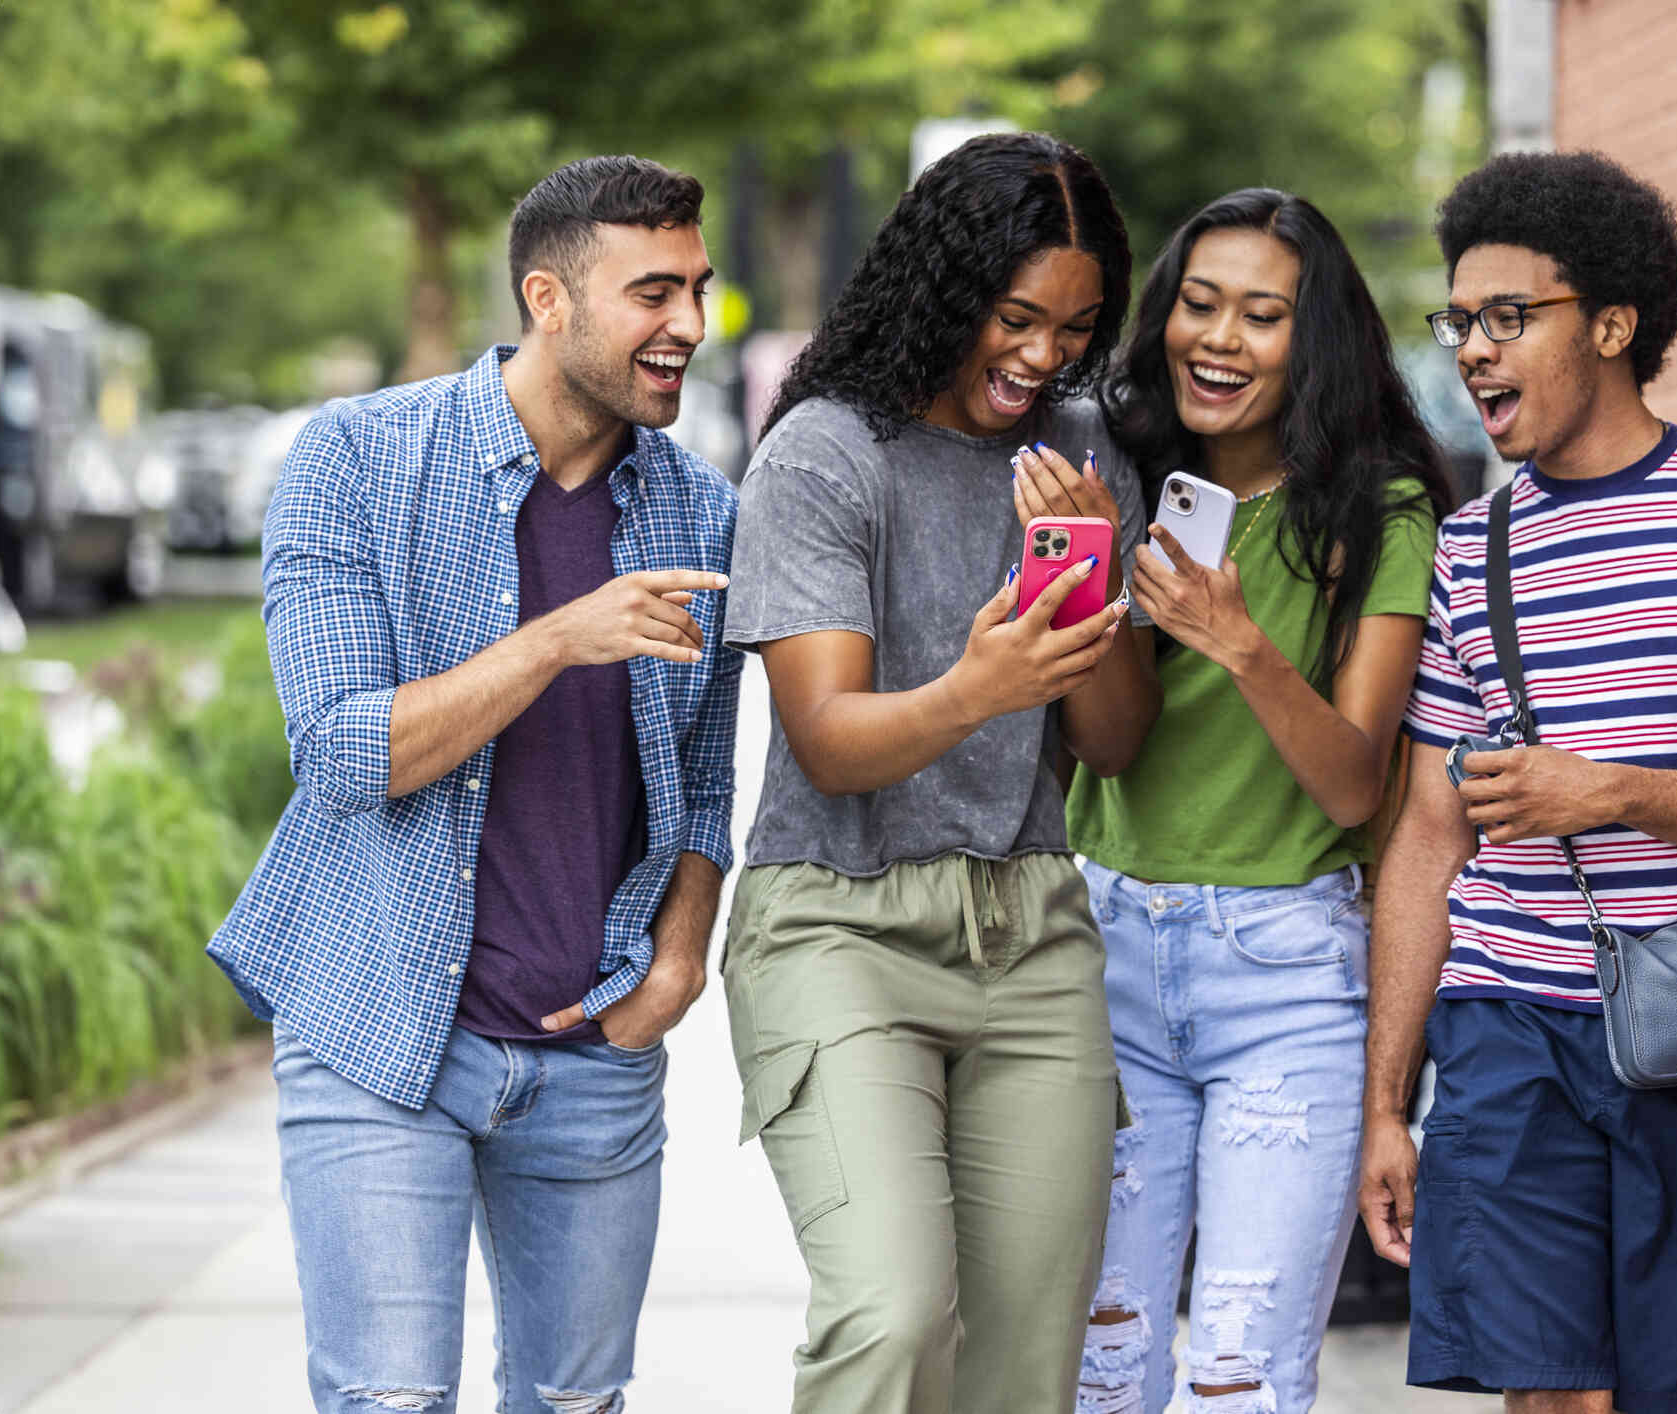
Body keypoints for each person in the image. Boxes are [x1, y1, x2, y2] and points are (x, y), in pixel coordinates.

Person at [207, 155, 739, 1414]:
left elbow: (707, 777)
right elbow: (347, 751)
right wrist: (561, 636)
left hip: (590, 1045)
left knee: (574, 1404)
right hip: (382, 1032)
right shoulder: (356, 460)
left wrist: (676, 959)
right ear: (546, 298)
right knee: (390, 1402)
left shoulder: (702, 512)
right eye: (652, 293)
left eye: (698, 290)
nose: (688, 328)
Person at [1360, 150, 1677, 1414]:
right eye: (1457, 320)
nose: (1472, 350)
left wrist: (1612, 794)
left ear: (1609, 321)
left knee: (1657, 1393)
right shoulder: (1470, 544)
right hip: (1503, 1025)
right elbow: (1429, 834)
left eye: (1506, 317)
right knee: (1550, 1393)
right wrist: (1388, 1102)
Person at [720, 131, 1155, 1414]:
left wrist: (1083, 563)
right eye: (1014, 317)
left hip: (1030, 933)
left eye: (1075, 327)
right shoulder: (824, 454)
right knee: (893, 1315)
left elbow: (1117, 744)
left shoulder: (1078, 451)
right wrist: (979, 683)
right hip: (838, 927)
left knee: (1026, 1365)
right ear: (942, 288)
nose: (1042, 356)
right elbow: (828, 738)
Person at [1061, 188, 1453, 1414]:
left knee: (1237, 1378)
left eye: (1261, 315)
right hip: (1106, 954)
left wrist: (1238, 643)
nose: (1217, 338)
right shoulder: (1114, 471)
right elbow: (1105, 748)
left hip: (1284, 979)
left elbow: (1353, 778)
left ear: (1313, 338)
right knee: (1103, 1368)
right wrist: (1084, 581)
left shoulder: (1379, 509)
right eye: (1199, 303)